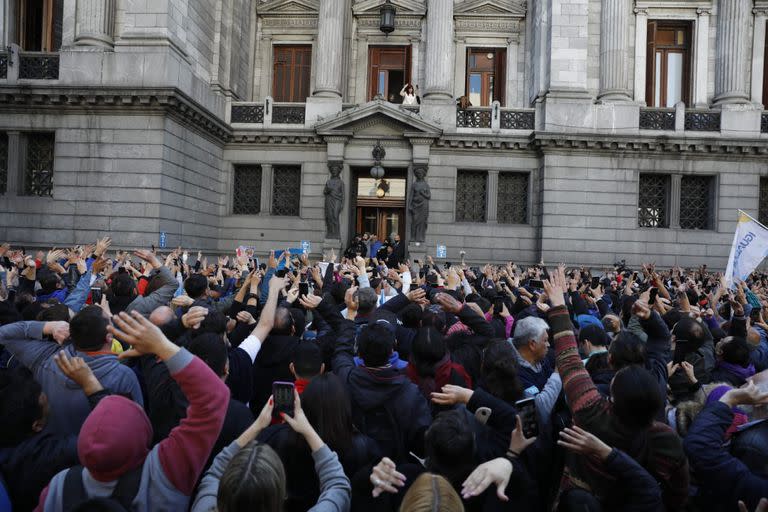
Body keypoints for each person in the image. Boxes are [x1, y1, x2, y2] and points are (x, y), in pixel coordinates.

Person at [35, 311, 230, 511]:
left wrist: (91, 386)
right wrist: (163, 344)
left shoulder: (58, 489)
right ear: (144, 434)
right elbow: (214, 395)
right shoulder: (164, 474)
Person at [191, 392, 352, 512]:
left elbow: (215, 472)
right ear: (282, 495)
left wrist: (258, 426)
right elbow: (337, 484)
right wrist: (307, 429)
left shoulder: (204, 507)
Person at [0, 308, 143, 437]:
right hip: (95, 460)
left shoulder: (46, 357)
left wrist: (49, 326)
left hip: (51, 453)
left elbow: (5, 333)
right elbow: (136, 430)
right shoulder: (124, 377)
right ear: (109, 337)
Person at [511, 316, 554, 394]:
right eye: (545, 340)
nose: (548, 344)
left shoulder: (541, 359)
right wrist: (557, 374)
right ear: (532, 344)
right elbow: (540, 405)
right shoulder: (515, 373)